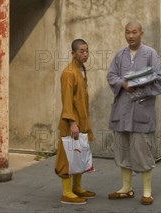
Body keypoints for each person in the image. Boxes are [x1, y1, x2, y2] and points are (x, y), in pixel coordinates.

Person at [107, 21, 161, 206]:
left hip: (141, 112)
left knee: (143, 151)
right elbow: (111, 76)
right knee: (122, 150)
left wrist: (138, 88)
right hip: (122, 111)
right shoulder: (120, 55)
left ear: (141, 33)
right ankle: (126, 188)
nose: (130, 36)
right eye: (127, 32)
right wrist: (123, 84)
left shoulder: (151, 54)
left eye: (134, 32)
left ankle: (147, 191)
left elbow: (158, 81)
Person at [54, 39, 95, 205]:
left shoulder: (82, 69)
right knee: (66, 158)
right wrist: (72, 122)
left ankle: (77, 187)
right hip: (71, 123)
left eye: (86, 50)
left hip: (82, 120)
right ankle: (66, 192)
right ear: (73, 53)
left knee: (80, 155)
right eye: (81, 51)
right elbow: (67, 100)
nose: (85, 54)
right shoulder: (68, 73)